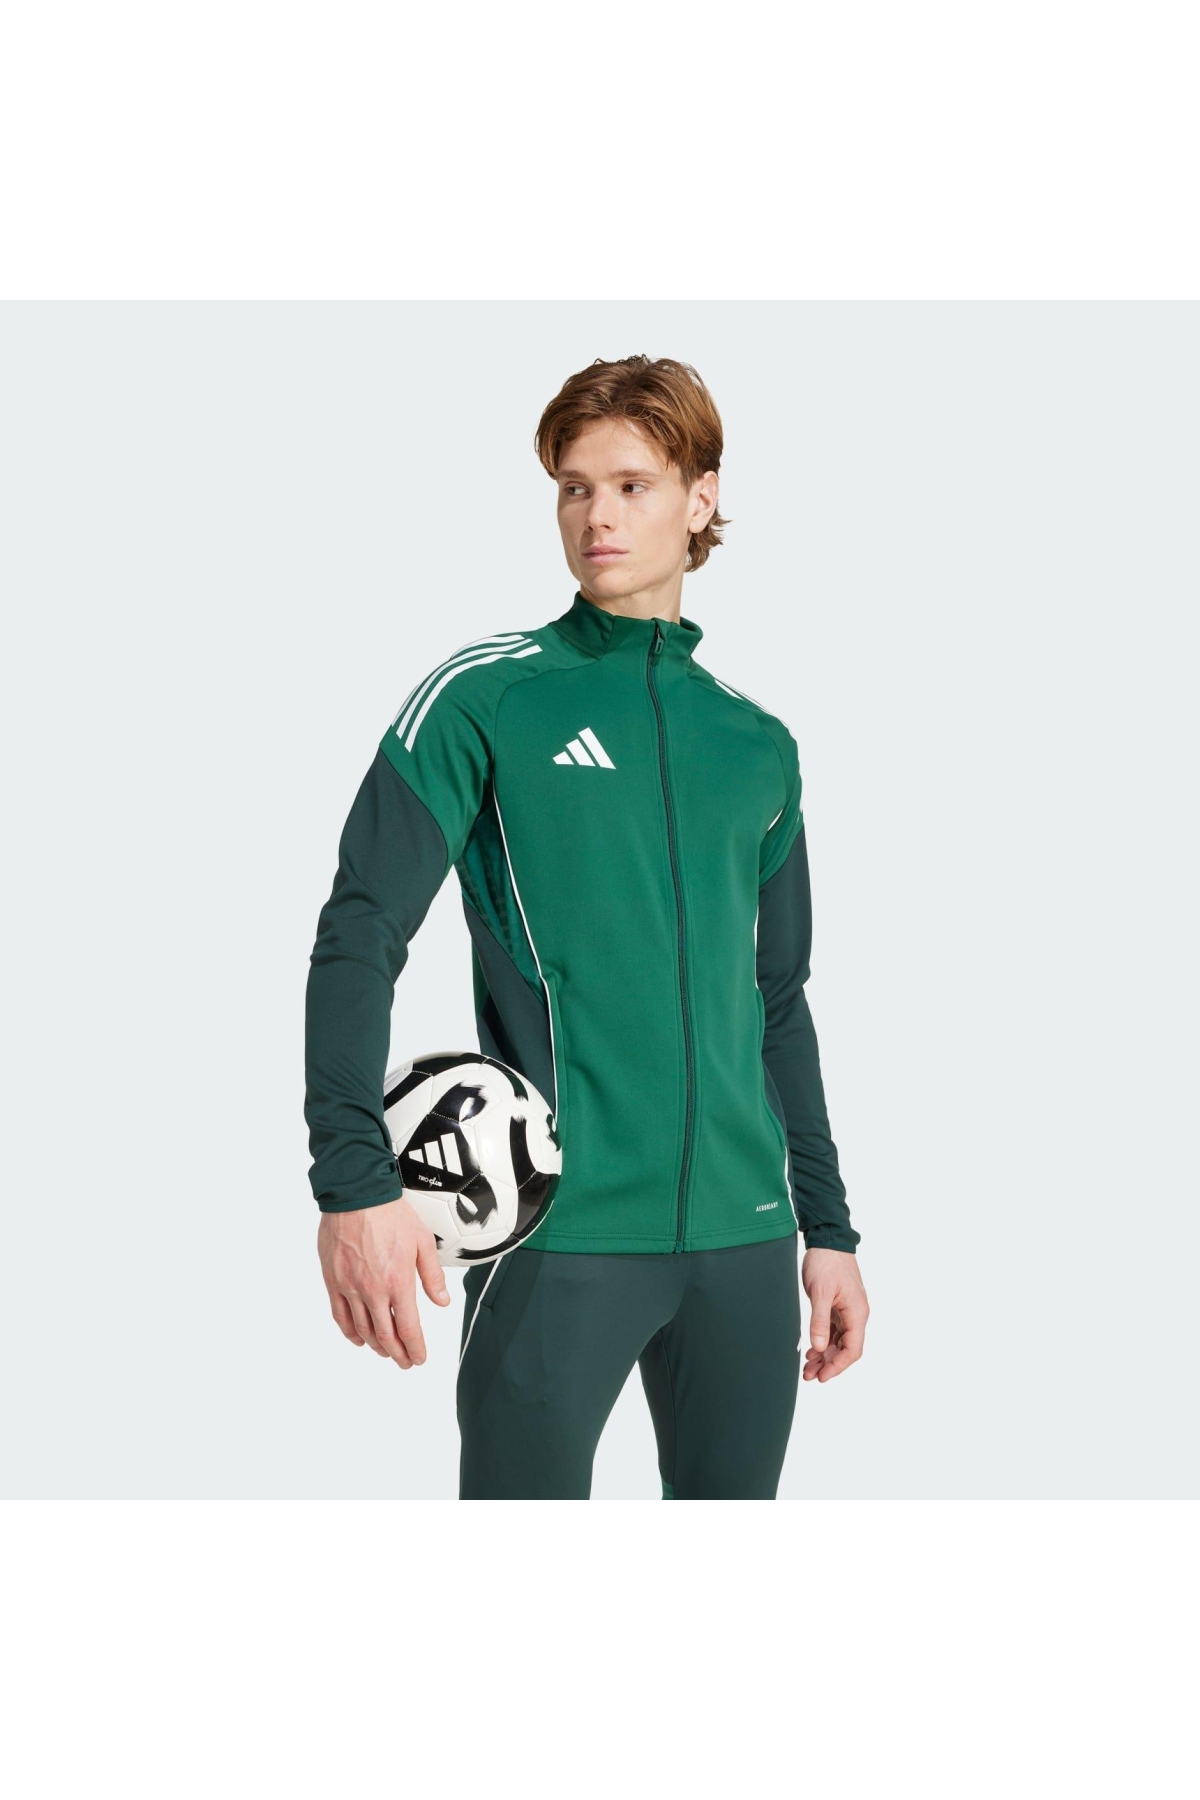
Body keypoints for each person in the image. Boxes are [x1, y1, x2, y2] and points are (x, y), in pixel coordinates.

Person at [305, 354, 869, 1499]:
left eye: (630, 485)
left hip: (747, 1239)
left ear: (701, 499)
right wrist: (352, 1183)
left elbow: (777, 1000)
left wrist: (829, 1228)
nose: (596, 516)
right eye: (574, 488)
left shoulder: (757, 743)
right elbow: (360, 933)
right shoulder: (487, 697)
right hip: (561, 1236)